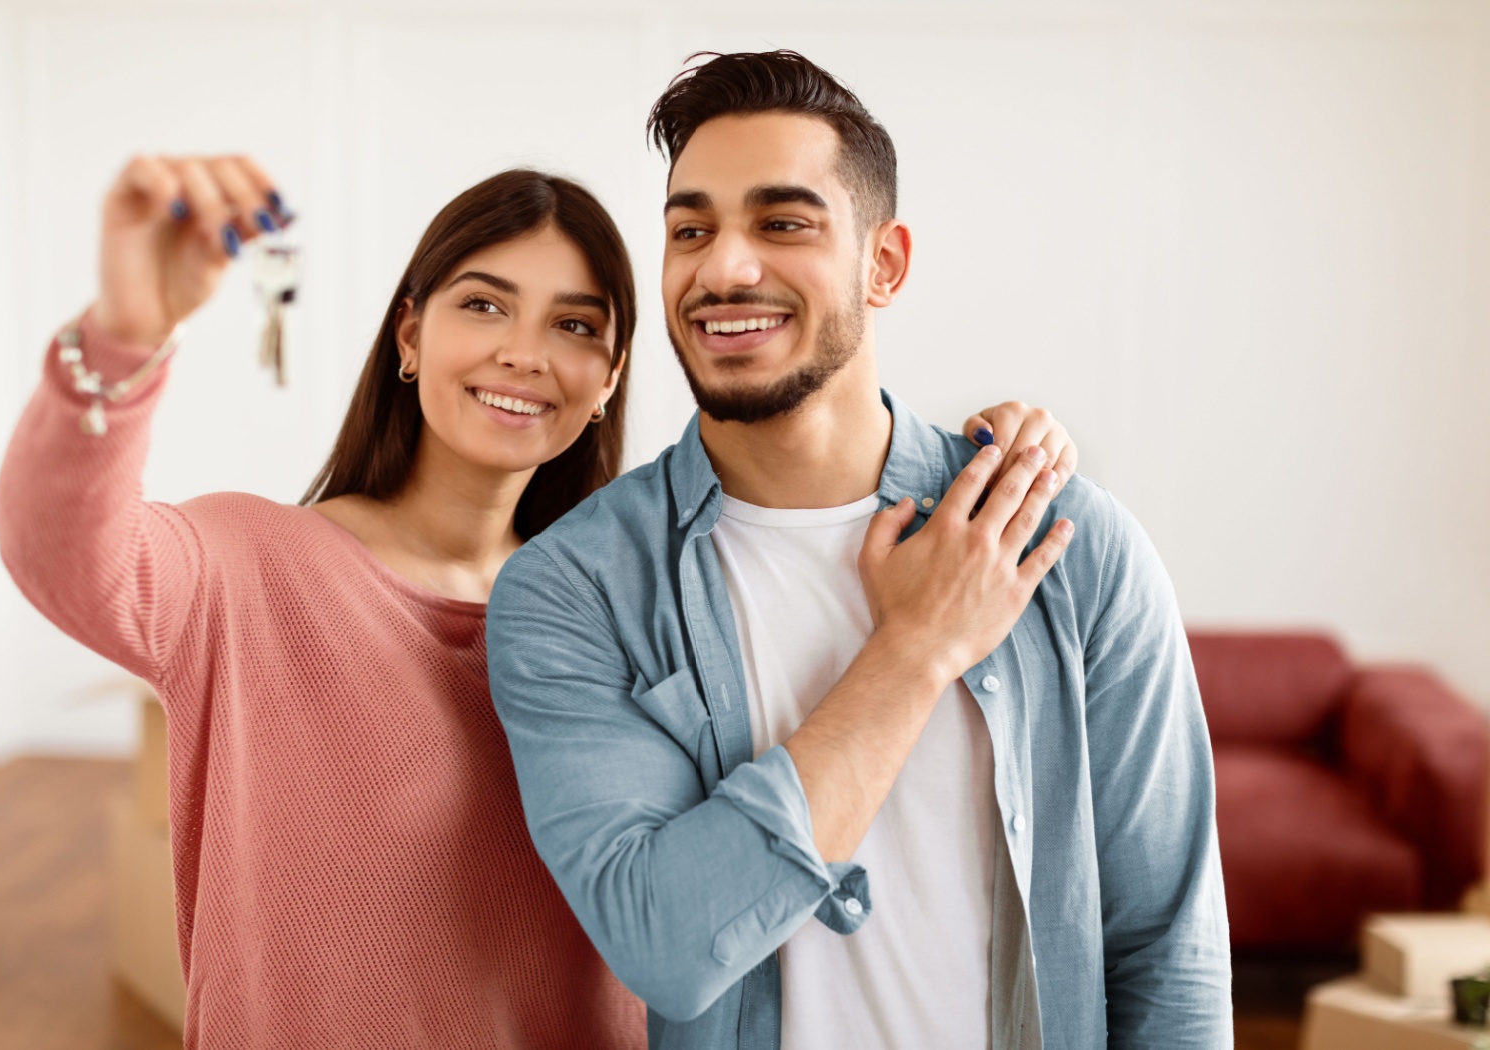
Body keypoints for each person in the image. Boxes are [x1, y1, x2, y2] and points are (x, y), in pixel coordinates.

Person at [0, 157, 1076, 1048]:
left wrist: (992, 453)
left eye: (574, 326)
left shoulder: (623, 607)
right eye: (484, 305)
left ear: (609, 376)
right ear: (410, 335)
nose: (524, 353)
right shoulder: (248, 565)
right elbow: (62, 553)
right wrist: (125, 333)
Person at [486, 51, 1232, 1050]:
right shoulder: (574, 588)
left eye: (782, 224)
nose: (723, 269)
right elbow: (665, 942)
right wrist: (914, 651)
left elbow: (1166, 956)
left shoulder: (1068, 542)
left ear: (883, 265)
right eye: (690, 230)